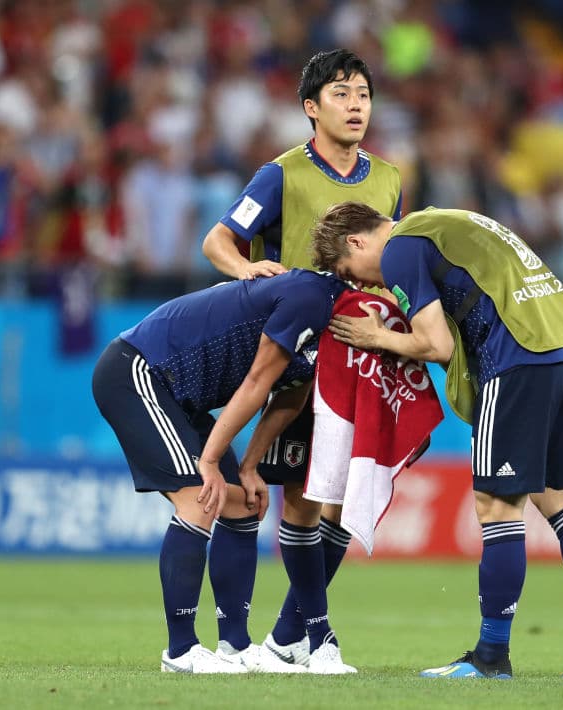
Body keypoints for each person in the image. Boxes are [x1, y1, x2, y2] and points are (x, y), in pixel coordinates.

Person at [313, 202, 563, 680]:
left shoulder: (400, 249)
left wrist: (378, 337)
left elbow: (434, 344)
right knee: (562, 499)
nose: (362, 285)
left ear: (357, 241)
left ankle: (491, 656)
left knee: (496, 506)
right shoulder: (445, 220)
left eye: (347, 271)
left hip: (520, 359)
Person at [200, 49, 402, 667]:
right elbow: (217, 240)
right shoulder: (281, 175)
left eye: (363, 94)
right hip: (297, 356)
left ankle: (291, 635)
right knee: (297, 496)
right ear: (311, 109)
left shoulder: (389, 179)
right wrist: (247, 269)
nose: (356, 105)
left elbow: (392, 265)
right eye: (341, 94)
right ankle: (288, 637)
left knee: (337, 497)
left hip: (363, 355)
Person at [91, 269, 357, 674]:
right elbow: (256, 382)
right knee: (202, 498)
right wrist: (210, 462)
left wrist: (250, 466)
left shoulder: (324, 317)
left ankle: (234, 645)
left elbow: (290, 399)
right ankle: (180, 651)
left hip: (179, 396)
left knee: (242, 505)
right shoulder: (309, 296)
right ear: (351, 248)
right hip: (137, 372)